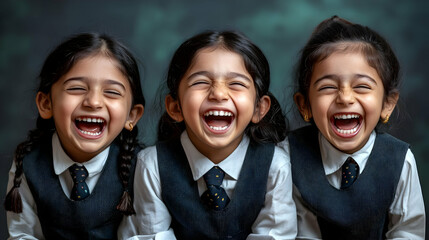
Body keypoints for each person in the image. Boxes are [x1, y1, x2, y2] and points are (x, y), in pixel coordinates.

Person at [119, 30, 297, 240]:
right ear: (175, 107)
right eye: (200, 82)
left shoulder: (275, 166)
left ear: (259, 108)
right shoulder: (152, 165)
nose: (219, 94)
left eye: (236, 84)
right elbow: (153, 235)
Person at [282, 16, 426, 239]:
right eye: (328, 87)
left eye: (361, 86)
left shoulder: (399, 160)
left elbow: (407, 232)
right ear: (305, 105)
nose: (345, 98)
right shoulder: (286, 157)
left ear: (387, 104)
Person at [4, 33, 145, 239]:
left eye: (112, 92)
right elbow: (22, 234)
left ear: (132, 115)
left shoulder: (141, 167)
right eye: (77, 88)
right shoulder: (28, 162)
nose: (93, 102)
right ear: (46, 104)